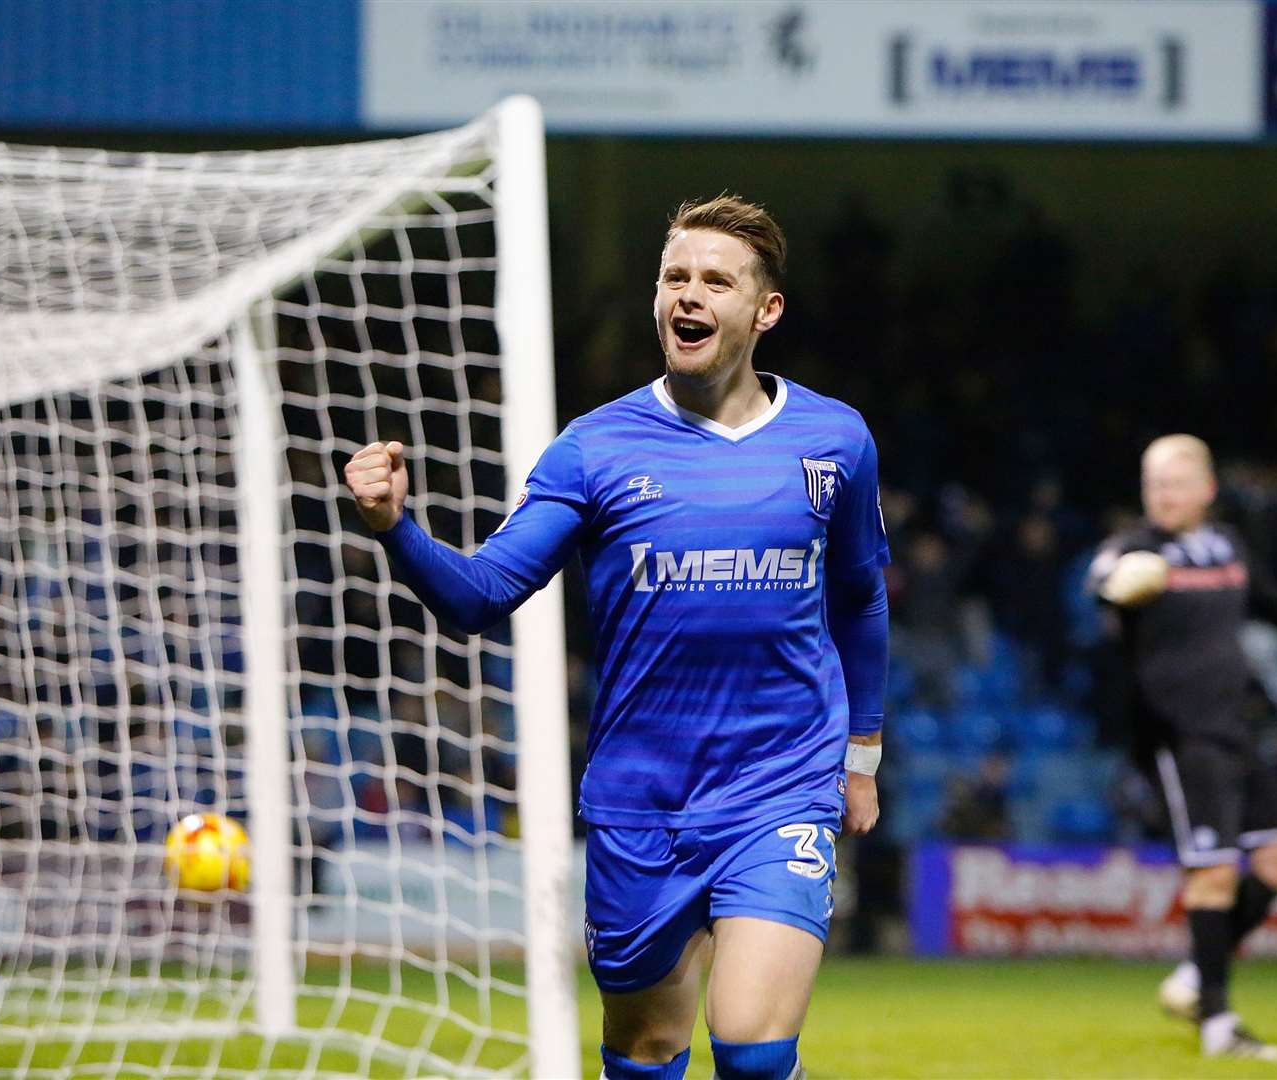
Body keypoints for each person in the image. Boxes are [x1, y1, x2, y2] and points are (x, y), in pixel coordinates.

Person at [344, 195, 889, 1080]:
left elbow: (860, 596)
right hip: (643, 801)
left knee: (753, 1050)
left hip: (779, 785)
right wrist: (395, 528)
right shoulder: (594, 449)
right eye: (676, 276)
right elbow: (482, 596)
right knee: (647, 1051)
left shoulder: (834, 439)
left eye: (717, 280)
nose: (690, 295)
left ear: (765, 310)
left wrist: (860, 753)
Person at [1089, 433, 1277, 1062]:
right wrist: (1118, 582)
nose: (1161, 494)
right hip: (1178, 734)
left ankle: (1198, 975)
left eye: (1173, 482)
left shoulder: (1226, 546)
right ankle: (1218, 1027)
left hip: (1234, 729)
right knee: (1214, 873)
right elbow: (1106, 578)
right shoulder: (1139, 547)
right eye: (1152, 483)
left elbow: (1272, 604)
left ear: (1207, 488)